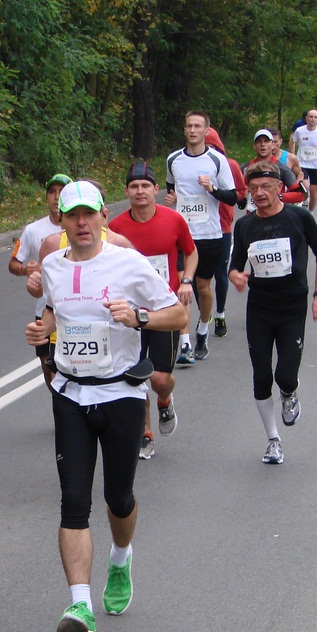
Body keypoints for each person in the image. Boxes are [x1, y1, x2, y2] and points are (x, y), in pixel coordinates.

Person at [25, 179, 186, 632]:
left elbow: (177, 316)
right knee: (73, 501)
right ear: (63, 219)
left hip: (121, 394)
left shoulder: (129, 264)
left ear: (101, 216)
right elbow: (56, 310)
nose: (80, 223)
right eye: (72, 215)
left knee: (119, 498)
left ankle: (121, 556)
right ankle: (81, 604)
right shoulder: (53, 265)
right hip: (71, 393)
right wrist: (42, 330)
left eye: (88, 214)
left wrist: (137, 318)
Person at [229, 161, 317, 465]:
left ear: (280, 188)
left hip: (292, 306)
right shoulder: (245, 225)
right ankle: (273, 439)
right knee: (261, 376)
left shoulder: (298, 217)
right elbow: (235, 265)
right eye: (254, 188)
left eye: (266, 187)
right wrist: (236, 276)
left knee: (285, 375)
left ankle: (289, 393)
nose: (259, 193)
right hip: (259, 308)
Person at [109, 161, 198, 460]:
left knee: (159, 378)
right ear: (126, 191)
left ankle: (164, 399)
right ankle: (145, 433)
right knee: (134, 377)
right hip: (129, 315)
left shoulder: (173, 220)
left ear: (156, 189)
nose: (140, 191)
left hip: (163, 311)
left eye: (146, 185)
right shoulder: (116, 228)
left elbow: (191, 251)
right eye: (134, 186)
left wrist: (186, 280)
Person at [163, 110, 239, 364]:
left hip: (209, 234)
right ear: (184, 130)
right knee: (181, 288)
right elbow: (172, 188)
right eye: (189, 126)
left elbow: (233, 197)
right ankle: (185, 344)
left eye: (198, 126)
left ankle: (203, 330)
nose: (193, 130)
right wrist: (171, 199)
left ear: (207, 131)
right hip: (180, 234)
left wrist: (212, 188)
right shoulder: (173, 159)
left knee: (204, 288)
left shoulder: (217, 161)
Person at [10, 173, 71, 390]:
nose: (56, 197)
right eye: (51, 192)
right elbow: (13, 263)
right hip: (45, 309)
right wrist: (25, 269)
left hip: (75, 308)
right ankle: (63, 411)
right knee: (49, 370)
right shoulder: (33, 230)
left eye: (62, 192)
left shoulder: (80, 226)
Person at [205, 127, 248, 339]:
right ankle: (205, 313)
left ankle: (220, 313)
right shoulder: (189, 165)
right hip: (197, 228)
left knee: (220, 274)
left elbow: (241, 191)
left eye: (212, 146)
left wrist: (238, 199)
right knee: (197, 278)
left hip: (222, 225)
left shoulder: (228, 164)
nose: (207, 150)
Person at [288, 109, 317, 211]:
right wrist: (292, 155)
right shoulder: (300, 130)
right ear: (306, 118)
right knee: (305, 186)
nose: (312, 119)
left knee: (313, 192)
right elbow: (292, 140)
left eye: (315, 117)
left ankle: (311, 212)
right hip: (302, 164)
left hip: (316, 165)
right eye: (310, 117)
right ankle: (304, 199)